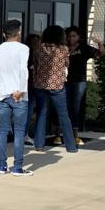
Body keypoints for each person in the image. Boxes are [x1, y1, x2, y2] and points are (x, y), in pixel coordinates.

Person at [0, 20, 33, 176]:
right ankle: (17, 167)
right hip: (19, 95)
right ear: (19, 32)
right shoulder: (23, 48)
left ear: (3, 34)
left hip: (3, 95)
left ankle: (2, 165)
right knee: (19, 131)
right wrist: (21, 90)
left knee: (2, 130)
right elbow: (23, 70)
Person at [31, 25, 77, 153]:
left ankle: (39, 145)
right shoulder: (63, 49)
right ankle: (71, 146)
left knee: (41, 113)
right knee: (63, 115)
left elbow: (35, 64)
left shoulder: (39, 48)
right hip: (57, 85)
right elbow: (67, 64)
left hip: (40, 85)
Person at [66, 26, 104, 140]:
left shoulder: (84, 48)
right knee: (64, 106)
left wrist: (99, 43)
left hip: (79, 80)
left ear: (78, 37)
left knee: (75, 107)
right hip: (64, 80)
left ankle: (75, 134)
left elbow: (100, 53)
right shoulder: (64, 48)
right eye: (69, 36)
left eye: (74, 36)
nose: (71, 38)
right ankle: (59, 133)